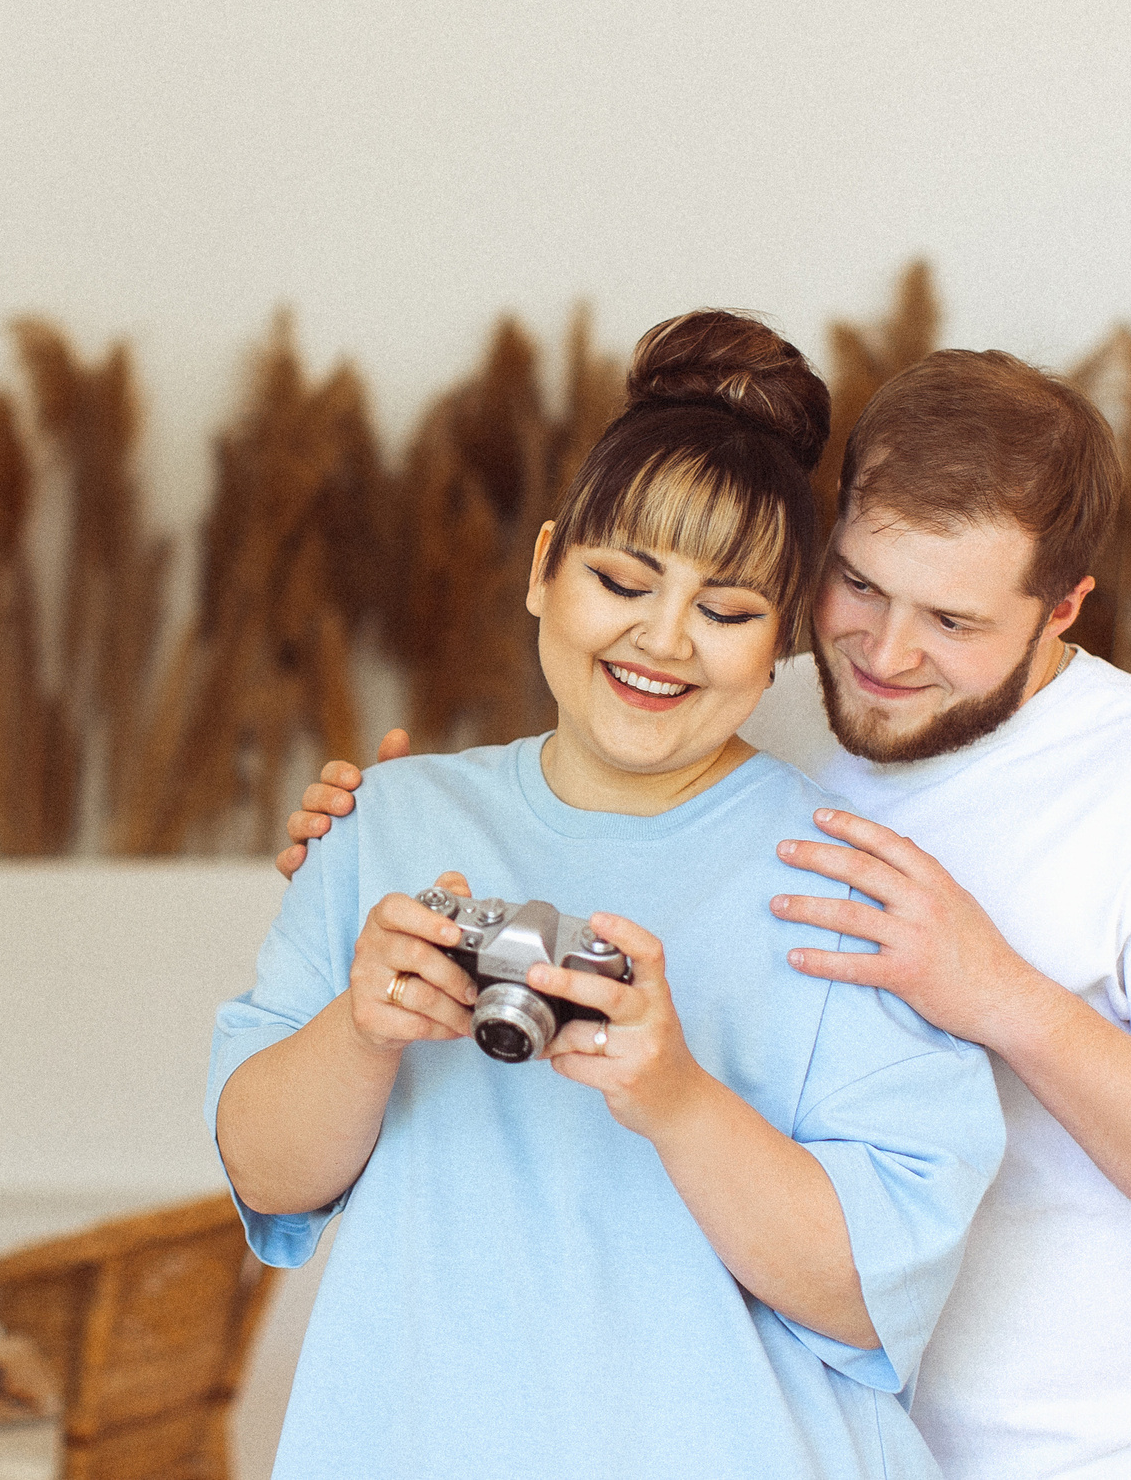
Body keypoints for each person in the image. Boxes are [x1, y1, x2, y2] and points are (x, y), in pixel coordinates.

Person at [279, 347, 1131, 1480]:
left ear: (1066, 607)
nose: (886, 655)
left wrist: (1005, 1000)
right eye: (858, 587)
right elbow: (554, 840)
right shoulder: (752, 706)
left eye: (952, 619)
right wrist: (373, 843)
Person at [212, 312, 1006, 1480]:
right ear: (544, 570)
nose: (662, 638)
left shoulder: (848, 880)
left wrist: (677, 1097)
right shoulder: (387, 825)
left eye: (728, 611)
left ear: (780, 638)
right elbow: (264, 1175)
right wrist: (362, 1029)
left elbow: (868, 1295)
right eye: (621, 580)